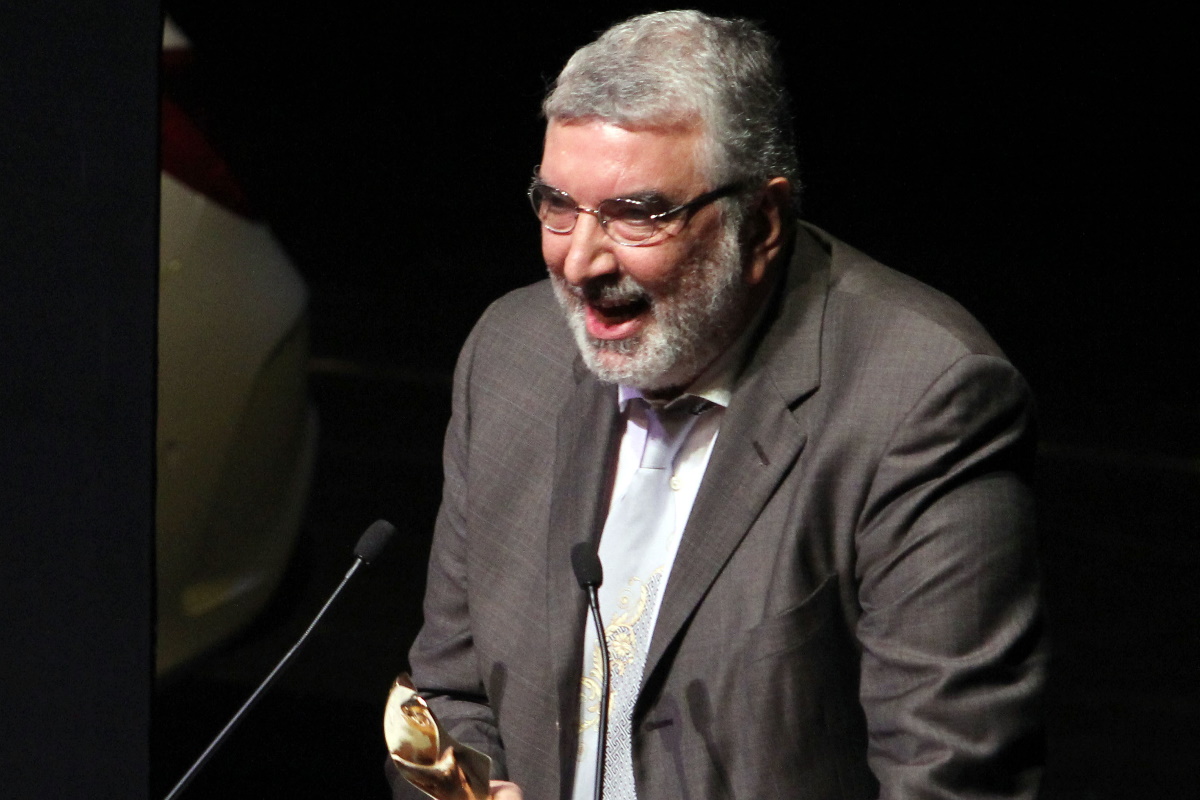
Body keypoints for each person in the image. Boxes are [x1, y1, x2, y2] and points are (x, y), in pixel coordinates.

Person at [388, 10, 1045, 800]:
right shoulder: (513, 356)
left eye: (638, 214)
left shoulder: (920, 399)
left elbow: (952, 781)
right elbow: (448, 697)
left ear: (761, 223)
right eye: (558, 205)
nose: (580, 260)